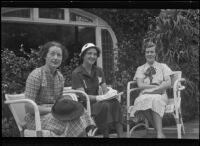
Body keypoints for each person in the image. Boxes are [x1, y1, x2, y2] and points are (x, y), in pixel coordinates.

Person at [24, 41, 95, 137]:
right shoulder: (36, 75)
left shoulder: (60, 77)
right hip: (36, 117)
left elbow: (59, 100)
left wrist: (68, 105)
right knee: (71, 122)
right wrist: (51, 109)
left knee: (81, 113)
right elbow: (29, 107)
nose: (55, 58)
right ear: (45, 56)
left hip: (54, 113)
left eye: (59, 55)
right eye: (52, 54)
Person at [71, 43, 123, 138]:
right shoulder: (76, 73)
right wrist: (101, 97)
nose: (92, 56)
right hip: (86, 105)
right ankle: (106, 135)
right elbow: (83, 96)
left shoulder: (99, 70)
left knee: (115, 102)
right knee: (105, 105)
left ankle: (121, 135)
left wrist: (112, 93)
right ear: (83, 55)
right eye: (89, 53)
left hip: (99, 102)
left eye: (95, 54)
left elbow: (104, 89)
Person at [129, 41, 173, 138]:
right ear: (145, 54)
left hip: (160, 94)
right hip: (145, 94)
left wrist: (154, 89)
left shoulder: (163, 66)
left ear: (155, 53)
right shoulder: (140, 68)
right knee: (140, 100)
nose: (149, 54)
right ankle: (159, 132)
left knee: (156, 99)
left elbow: (168, 83)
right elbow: (140, 85)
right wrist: (155, 87)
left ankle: (159, 134)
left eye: (152, 52)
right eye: (147, 52)